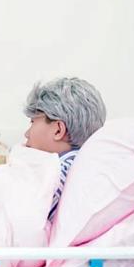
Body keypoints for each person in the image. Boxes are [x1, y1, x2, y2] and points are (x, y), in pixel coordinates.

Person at [22, 76, 107, 220]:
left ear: (58, 130)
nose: (27, 133)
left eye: (32, 122)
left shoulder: (53, 179)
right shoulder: (91, 166)